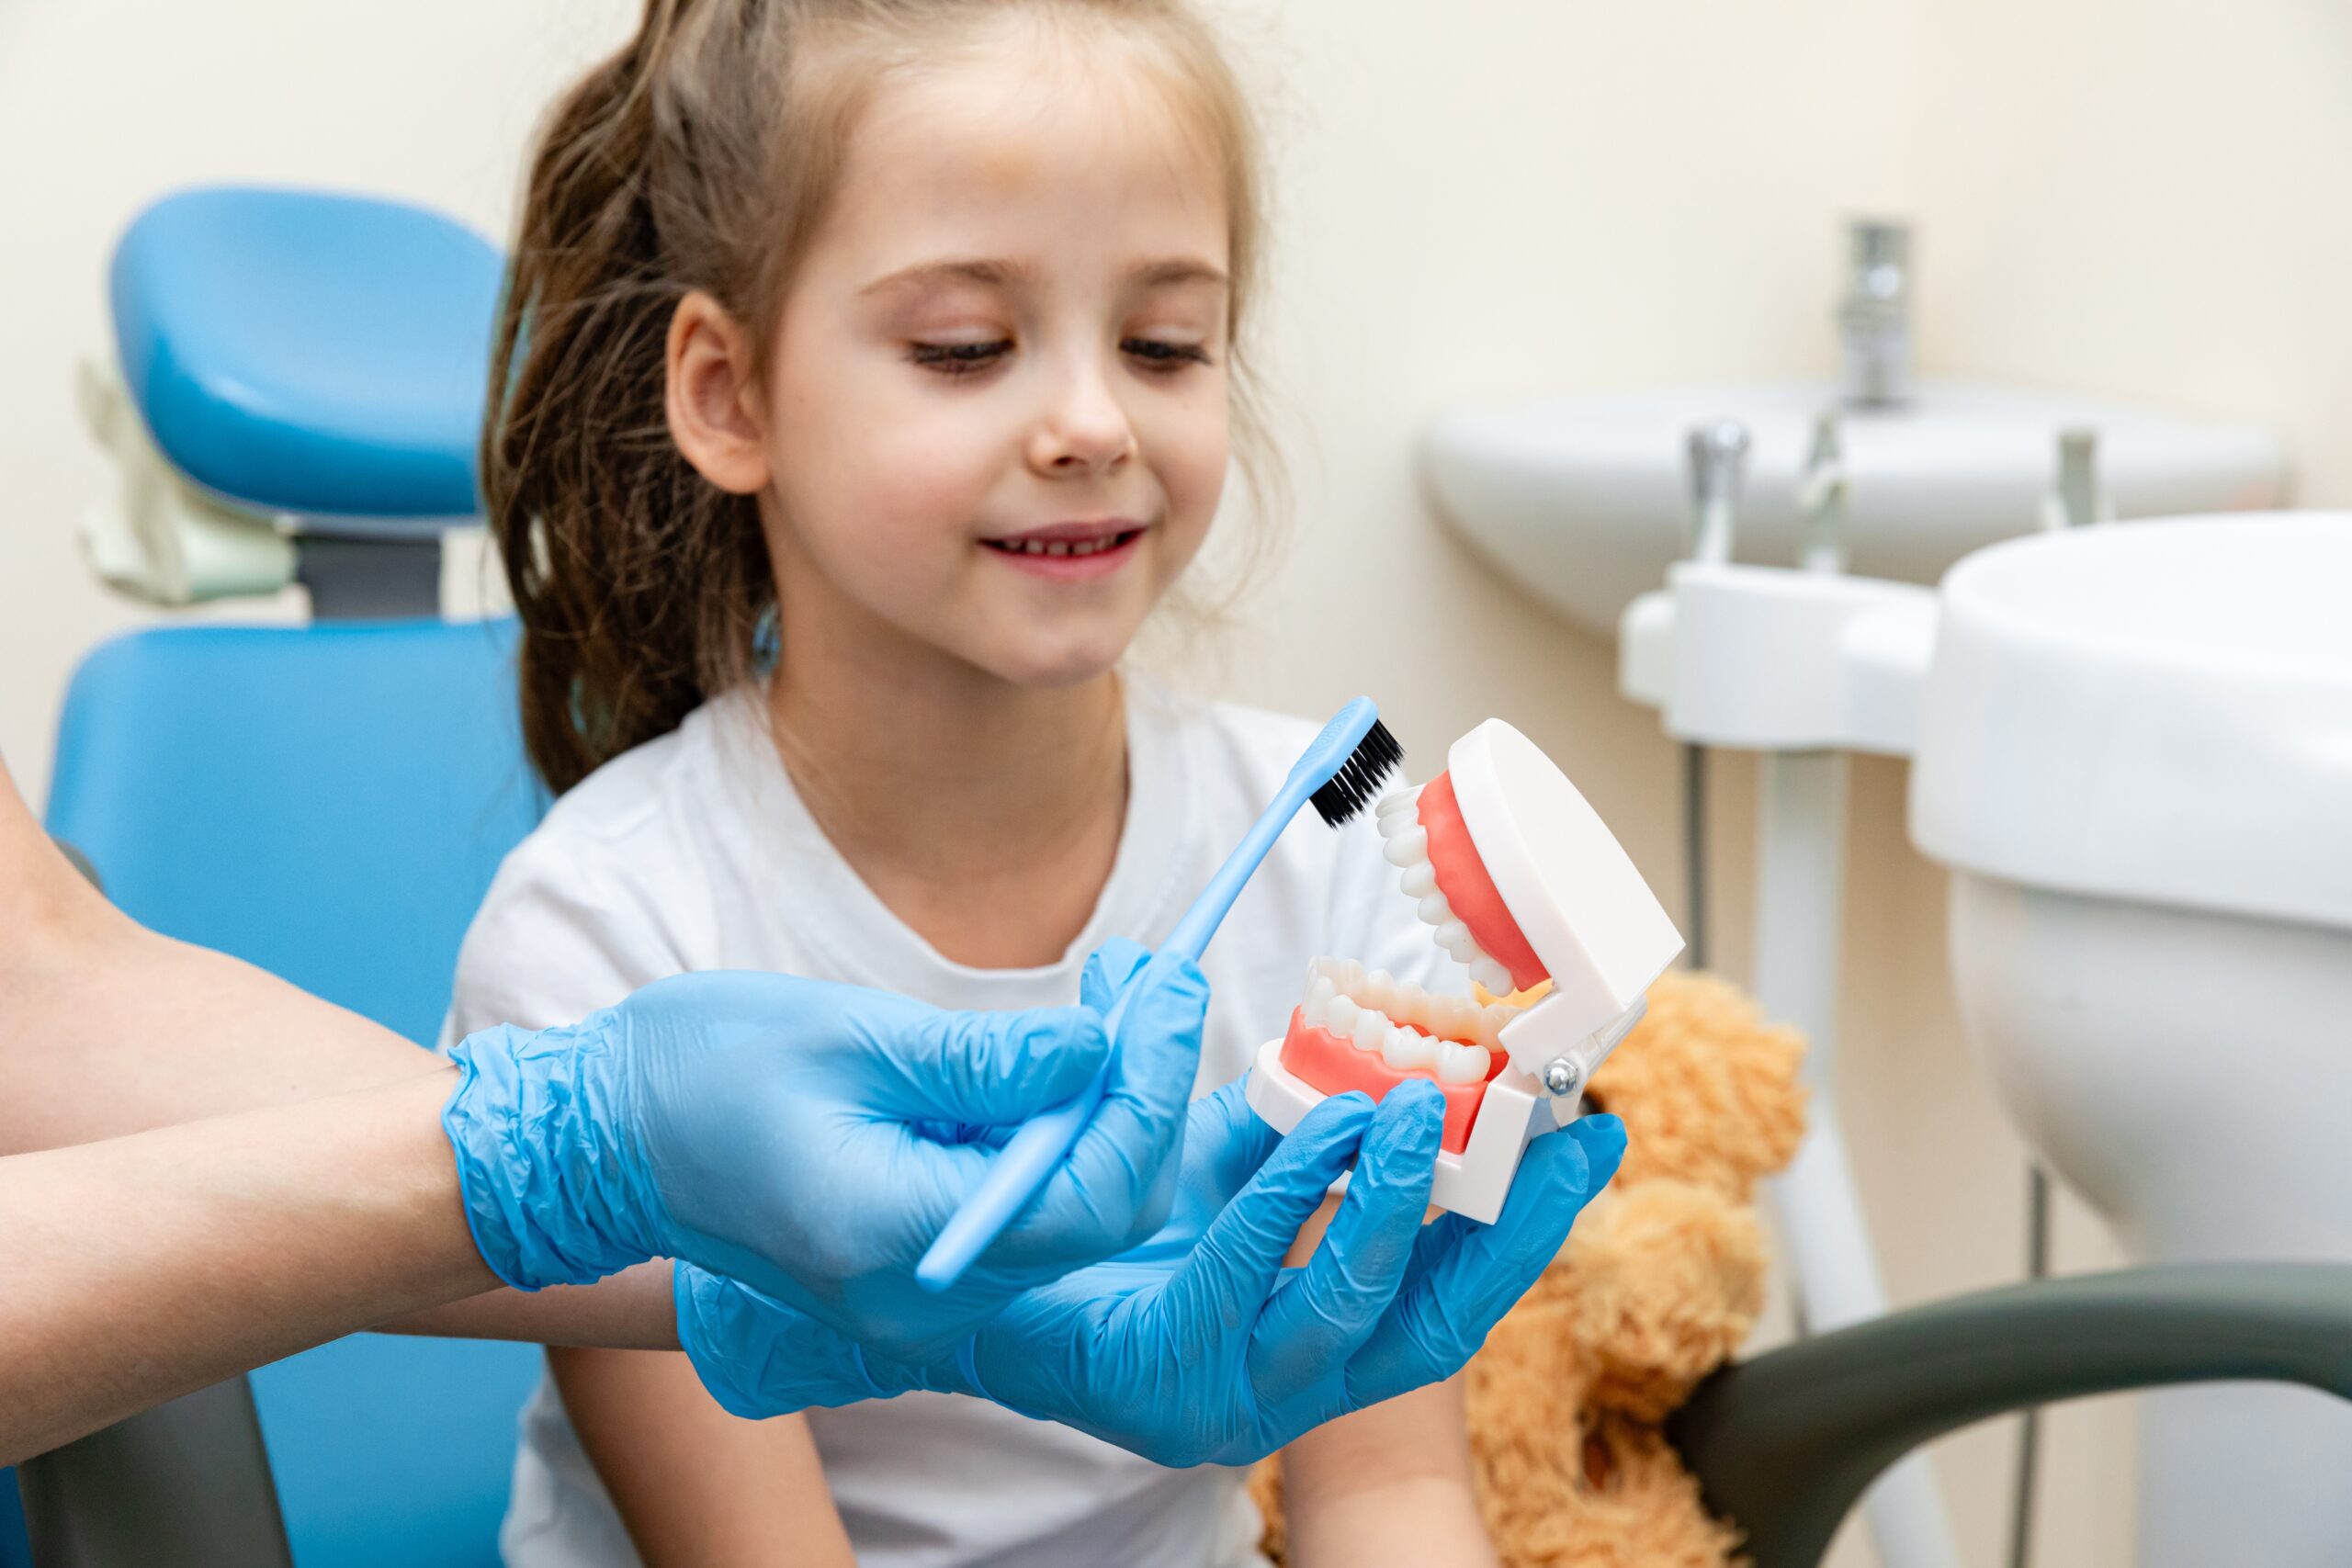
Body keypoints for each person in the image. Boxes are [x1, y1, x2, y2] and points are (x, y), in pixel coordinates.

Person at [447, 1, 1578, 1563]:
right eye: (966, 348)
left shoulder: (1324, 851)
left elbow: (1387, 1489)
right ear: (728, 392)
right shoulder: (608, 938)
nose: (1095, 422)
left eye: (1165, 344)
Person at [0, 744, 1624, 1471]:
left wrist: (872, 1289)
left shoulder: (1280, 825)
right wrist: (576, 1153)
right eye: (963, 346)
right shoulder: (615, 896)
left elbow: (34, 1002)